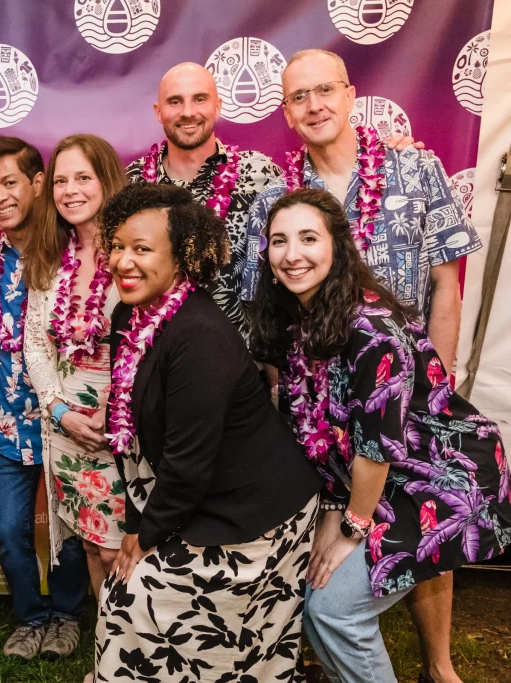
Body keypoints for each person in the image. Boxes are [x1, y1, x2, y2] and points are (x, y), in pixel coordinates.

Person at [240, 49, 484, 683]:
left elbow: (445, 285)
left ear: (351, 95)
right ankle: (329, 642)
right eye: (299, 96)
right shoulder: (278, 196)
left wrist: (436, 376)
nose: (315, 105)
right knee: (339, 557)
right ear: (286, 113)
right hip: (325, 410)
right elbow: (267, 314)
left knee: (417, 519)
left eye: (326, 90)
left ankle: (439, 663)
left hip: (404, 390)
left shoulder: (414, 164)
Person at [249, 188, 511, 683]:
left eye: (308, 238)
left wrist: (351, 528)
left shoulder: (371, 329)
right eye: (278, 241)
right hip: (381, 478)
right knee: (307, 589)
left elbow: (374, 447)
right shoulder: (299, 318)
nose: (292, 254)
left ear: (337, 246)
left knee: (333, 610)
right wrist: (332, 508)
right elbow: (321, 432)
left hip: (441, 477)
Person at [93, 182, 323, 682]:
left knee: (139, 592)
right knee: (128, 592)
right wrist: (138, 516)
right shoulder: (126, 315)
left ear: (181, 259)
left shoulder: (199, 334)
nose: (123, 261)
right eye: (117, 246)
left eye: (142, 249)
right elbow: (128, 428)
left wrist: (141, 534)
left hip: (257, 512)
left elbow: (187, 462)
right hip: (200, 492)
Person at [126, 61, 419, 342]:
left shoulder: (259, 173)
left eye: (200, 99)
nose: (188, 112)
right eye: (175, 101)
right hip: (154, 346)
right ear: (158, 111)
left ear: (218, 106)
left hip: (239, 360)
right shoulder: (133, 182)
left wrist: (395, 151)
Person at [0, 136, 90, 661]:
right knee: (12, 531)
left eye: (10, 183)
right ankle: (29, 617)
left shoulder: (70, 248)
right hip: (4, 420)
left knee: (70, 530)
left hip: (64, 418)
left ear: (39, 184)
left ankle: (65, 616)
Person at [23, 134, 127, 604]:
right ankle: (108, 656)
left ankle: (132, 658)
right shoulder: (49, 258)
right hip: (66, 425)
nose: (70, 190)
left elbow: (156, 338)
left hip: (124, 426)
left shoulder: (135, 251)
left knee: (121, 552)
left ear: (106, 182)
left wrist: (115, 405)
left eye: (83, 177)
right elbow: (36, 346)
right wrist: (59, 410)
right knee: (90, 544)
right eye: (60, 181)